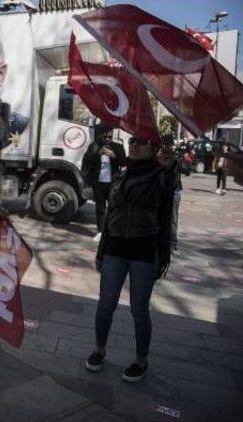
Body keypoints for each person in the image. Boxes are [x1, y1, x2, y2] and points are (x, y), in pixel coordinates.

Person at [85, 136, 175, 383]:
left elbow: (168, 197)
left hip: (144, 250)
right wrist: (101, 251)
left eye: (142, 143)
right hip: (115, 248)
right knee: (105, 304)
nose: (135, 145)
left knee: (139, 309)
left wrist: (169, 167)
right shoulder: (120, 176)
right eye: (133, 141)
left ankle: (140, 360)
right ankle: (99, 349)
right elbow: (109, 218)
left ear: (153, 148)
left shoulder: (160, 176)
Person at [81, 123, 127, 241]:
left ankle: (112, 231)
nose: (107, 140)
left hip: (113, 184)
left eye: (110, 137)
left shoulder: (117, 147)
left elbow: (124, 162)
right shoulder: (94, 147)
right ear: (100, 136)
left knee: (114, 208)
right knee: (100, 208)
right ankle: (100, 231)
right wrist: (97, 154)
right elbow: (86, 163)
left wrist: (114, 156)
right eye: (105, 137)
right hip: (99, 184)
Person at [157, 135, 190, 254]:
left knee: (173, 219)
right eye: (164, 146)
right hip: (158, 189)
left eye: (168, 146)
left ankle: (172, 244)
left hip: (174, 191)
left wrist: (178, 158)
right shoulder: (158, 157)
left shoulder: (176, 157)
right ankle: (158, 242)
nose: (166, 149)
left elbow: (187, 171)